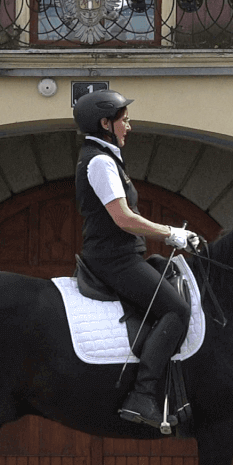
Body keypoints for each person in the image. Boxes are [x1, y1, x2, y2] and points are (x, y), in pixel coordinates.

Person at [72, 89, 203, 426]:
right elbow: (124, 219)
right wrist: (171, 232)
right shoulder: (99, 161)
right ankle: (142, 396)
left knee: (164, 270)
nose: (129, 126)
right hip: (113, 259)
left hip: (123, 255)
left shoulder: (106, 156)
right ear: (105, 123)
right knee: (176, 309)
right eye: (123, 120)